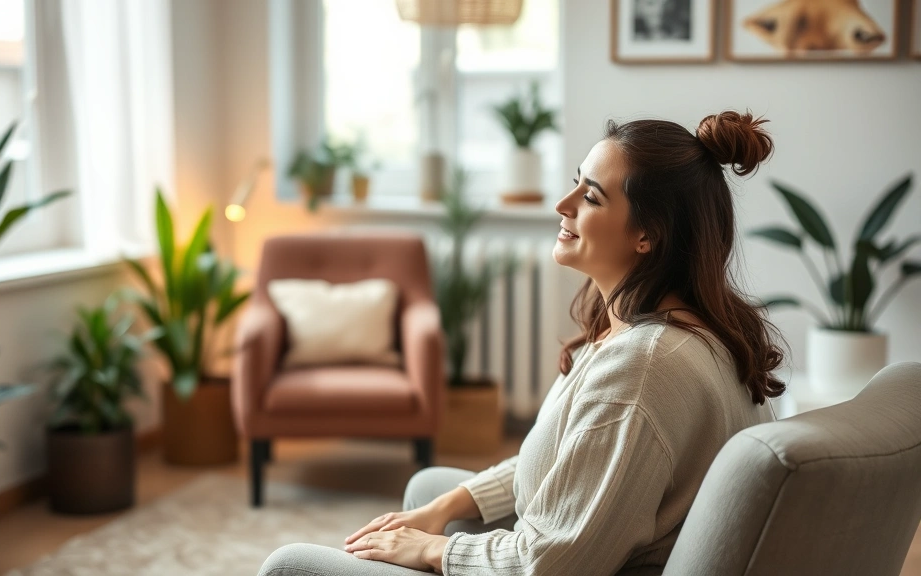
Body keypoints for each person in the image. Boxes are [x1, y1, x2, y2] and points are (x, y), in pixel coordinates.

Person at [258, 110, 784, 575]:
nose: (563, 203)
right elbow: (576, 456)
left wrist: (432, 551)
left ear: (647, 235)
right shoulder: (672, 329)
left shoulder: (642, 368)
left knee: (289, 566)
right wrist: (445, 510)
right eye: (576, 183)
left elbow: (550, 564)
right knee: (431, 490)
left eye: (591, 196)